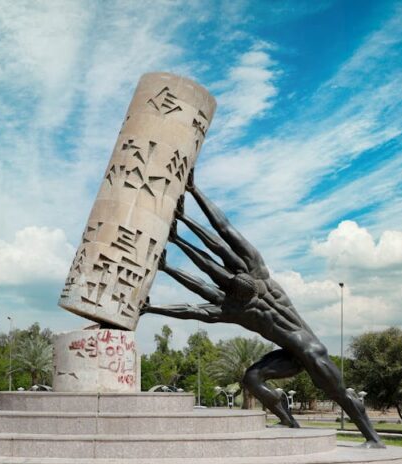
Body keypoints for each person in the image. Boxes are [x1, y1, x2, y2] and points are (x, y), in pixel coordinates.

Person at [141, 178, 384, 447]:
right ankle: (287, 418)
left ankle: (373, 438)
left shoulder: (243, 300)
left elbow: (219, 243)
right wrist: (176, 242)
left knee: (338, 393)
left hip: (311, 351)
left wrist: (189, 208)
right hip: (290, 354)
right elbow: (202, 287)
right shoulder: (243, 298)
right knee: (252, 378)